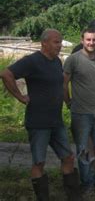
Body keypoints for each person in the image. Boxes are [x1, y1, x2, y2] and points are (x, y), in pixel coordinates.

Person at [0, 29, 80, 201]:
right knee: (39, 162)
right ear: (44, 43)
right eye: (56, 42)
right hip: (38, 121)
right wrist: (20, 97)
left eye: (60, 42)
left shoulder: (57, 62)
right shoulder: (32, 61)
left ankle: (74, 197)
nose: (59, 46)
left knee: (68, 157)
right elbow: (6, 74)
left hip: (56, 121)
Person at [64, 28, 95, 195]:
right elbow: (64, 83)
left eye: (94, 40)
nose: (91, 43)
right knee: (84, 151)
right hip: (80, 112)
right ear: (82, 40)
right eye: (88, 40)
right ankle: (87, 185)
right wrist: (68, 102)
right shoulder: (73, 59)